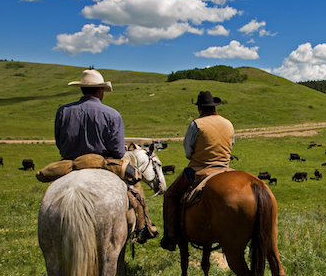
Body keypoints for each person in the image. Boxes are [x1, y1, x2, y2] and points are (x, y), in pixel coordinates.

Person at [52, 68, 157, 242]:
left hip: (71, 164)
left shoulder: (63, 111)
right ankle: (142, 226)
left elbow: (59, 144)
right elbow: (117, 152)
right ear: (101, 90)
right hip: (103, 163)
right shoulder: (112, 114)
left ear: (82, 89)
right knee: (136, 187)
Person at [160, 91, 234, 251]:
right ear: (215, 107)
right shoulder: (228, 123)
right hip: (224, 169)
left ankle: (170, 237)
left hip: (199, 169)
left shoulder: (196, 124)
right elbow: (231, 144)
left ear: (200, 109)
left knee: (171, 195)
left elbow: (188, 151)